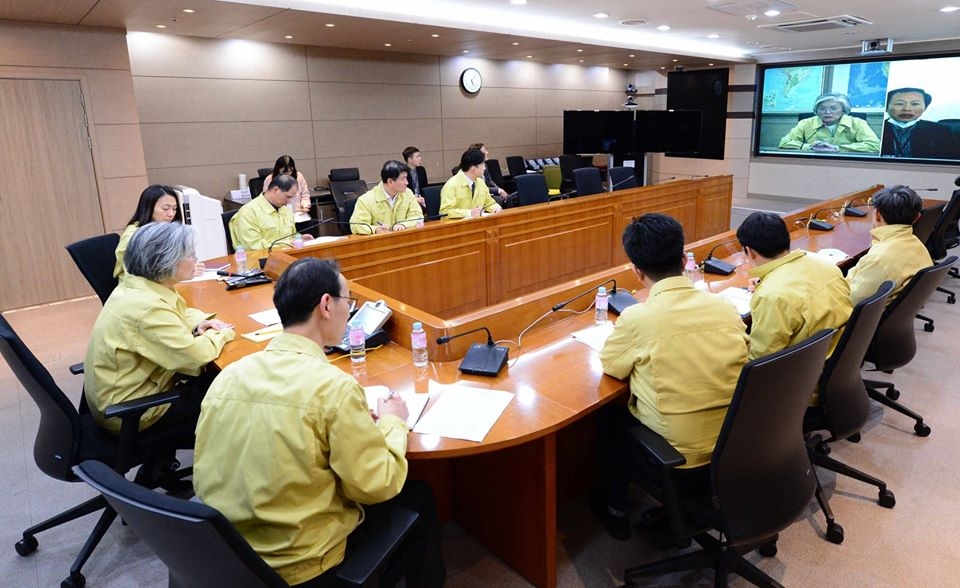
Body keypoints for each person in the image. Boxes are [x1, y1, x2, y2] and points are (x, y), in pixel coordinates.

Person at [194, 257, 445, 588]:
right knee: (418, 495)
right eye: (347, 302)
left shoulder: (230, 375)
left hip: (227, 552)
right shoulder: (334, 389)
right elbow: (377, 486)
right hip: (301, 564)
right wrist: (393, 422)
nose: (349, 312)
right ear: (326, 305)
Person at [592, 213, 749, 540]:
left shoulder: (638, 318)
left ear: (636, 271)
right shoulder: (723, 307)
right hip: (737, 447)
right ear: (682, 260)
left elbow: (612, 366)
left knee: (609, 418)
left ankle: (615, 511)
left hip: (681, 464)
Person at [85, 222, 234, 437]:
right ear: (167, 261)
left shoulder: (137, 286)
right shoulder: (148, 307)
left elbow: (177, 313)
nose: (196, 258)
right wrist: (221, 334)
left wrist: (198, 324)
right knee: (231, 395)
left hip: (121, 396)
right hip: (134, 413)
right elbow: (194, 358)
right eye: (190, 255)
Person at [736, 211, 852, 362]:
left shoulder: (770, 296)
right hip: (840, 355)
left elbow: (760, 358)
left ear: (749, 251)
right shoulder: (827, 266)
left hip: (804, 370)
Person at [846, 185, 933, 305]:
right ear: (917, 217)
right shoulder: (919, 246)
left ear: (877, 214)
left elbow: (851, 301)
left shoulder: (878, 259)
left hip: (855, 314)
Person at [114, 185, 182, 280]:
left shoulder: (166, 230)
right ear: (149, 208)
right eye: (165, 208)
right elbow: (136, 272)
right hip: (139, 284)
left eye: (174, 209)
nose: (171, 214)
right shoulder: (133, 236)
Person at [230, 174, 312, 250]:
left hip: (287, 255)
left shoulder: (285, 210)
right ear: (276, 190)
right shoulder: (248, 212)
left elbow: (290, 236)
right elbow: (253, 246)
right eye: (288, 197)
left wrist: (299, 238)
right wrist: (289, 243)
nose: (289, 201)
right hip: (261, 258)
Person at [778, 93, 880, 153]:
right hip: (814, 163)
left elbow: (875, 145)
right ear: (816, 110)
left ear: (843, 110)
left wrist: (837, 148)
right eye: (822, 108)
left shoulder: (858, 123)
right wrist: (809, 147)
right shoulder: (806, 123)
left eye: (833, 108)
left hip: (848, 163)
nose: (827, 112)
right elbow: (784, 143)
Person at [880, 88, 960, 159]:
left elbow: (952, 160)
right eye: (899, 104)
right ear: (886, 107)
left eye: (915, 104)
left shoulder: (941, 130)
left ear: (925, 107)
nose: (907, 109)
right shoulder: (879, 128)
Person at [349, 160, 423, 234]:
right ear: (390, 181)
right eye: (403, 179)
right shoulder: (366, 200)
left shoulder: (408, 193)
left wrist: (403, 225)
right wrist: (375, 229)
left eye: (406, 178)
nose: (407, 182)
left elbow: (418, 216)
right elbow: (356, 226)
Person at [439, 148, 502, 219]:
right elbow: (445, 212)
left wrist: (496, 208)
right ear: (473, 169)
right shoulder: (451, 185)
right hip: (457, 224)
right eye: (483, 165)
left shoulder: (480, 182)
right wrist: (469, 213)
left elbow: (489, 202)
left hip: (477, 222)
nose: (485, 168)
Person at [468, 142, 516, 208]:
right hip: (479, 196)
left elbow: (490, 181)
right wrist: (498, 191)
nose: (487, 152)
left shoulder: (484, 165)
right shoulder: (473, 168)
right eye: (484, 151)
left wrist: (499, 189)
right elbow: (479, 188)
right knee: (499, 200)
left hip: (488, 192)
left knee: (508, 197)